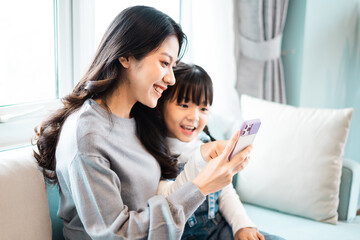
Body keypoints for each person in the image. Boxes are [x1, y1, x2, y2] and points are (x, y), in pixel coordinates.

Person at [33, 6, 252, 240]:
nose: (171, 79)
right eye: (164, 63)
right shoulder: (87, 136)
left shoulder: (139, 118)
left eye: (173, 66)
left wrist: (200, 157)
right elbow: (116, 234)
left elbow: (157, 199)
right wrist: (201, 187)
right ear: (126, 56)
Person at [156, 62, 286, 240]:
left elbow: (225, 192)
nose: (194, 117)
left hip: (218, 231)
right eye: (184, 105)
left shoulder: (206, 142)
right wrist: (199, 160)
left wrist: (243, 226)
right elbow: (168, 202)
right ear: (161, 105)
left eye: (203, 108)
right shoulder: (155, 154)